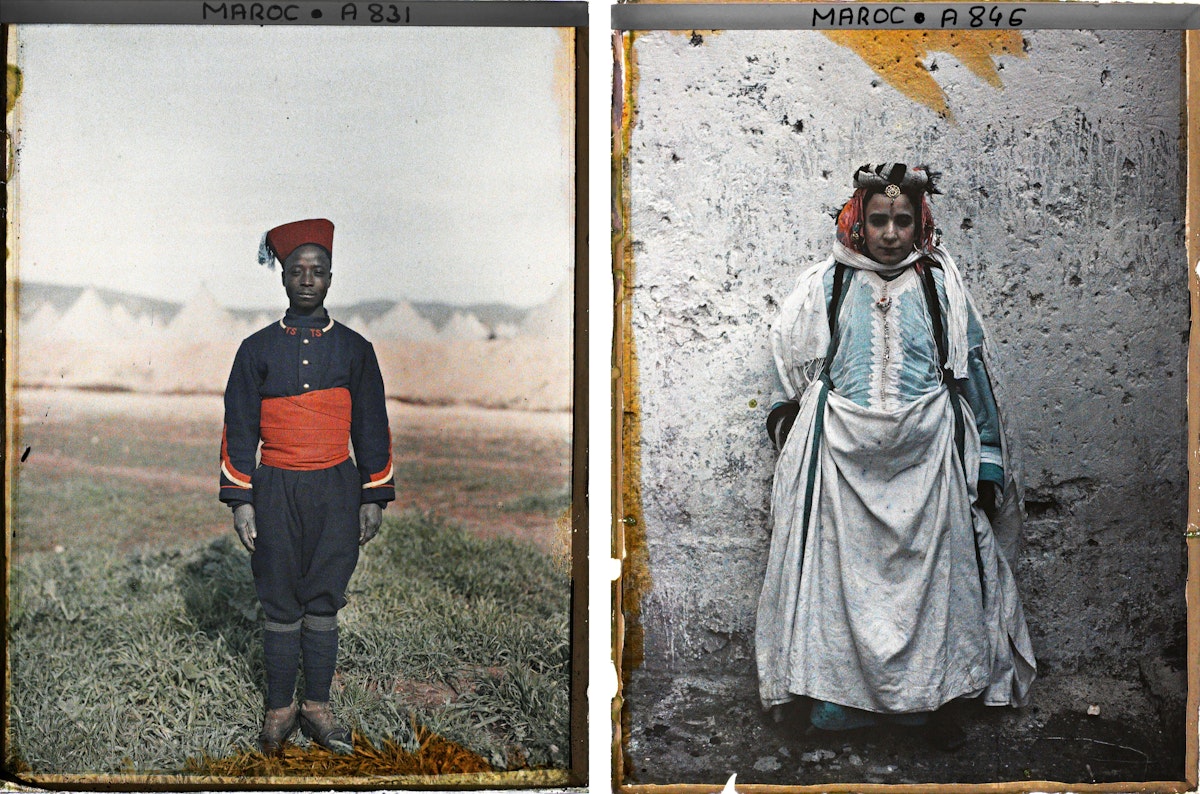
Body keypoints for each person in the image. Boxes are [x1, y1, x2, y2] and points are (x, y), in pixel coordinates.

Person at [755, 163, 1036, 750]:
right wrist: (789, 413)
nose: (889, 233)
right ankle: (836, 703)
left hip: (927, 457)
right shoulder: (828, 284)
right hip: (842, 461)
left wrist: (986, 459)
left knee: (930, 585)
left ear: (919, 223)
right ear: (859, 222)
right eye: (878, 220)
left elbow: (969, 374)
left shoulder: (940, 285)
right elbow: (789, 355)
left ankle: (924, 704)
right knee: (840, 585)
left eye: (902, 221)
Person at [219, 218, 395, 756]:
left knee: (323, 595)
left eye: (317, 271)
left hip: (336, 490)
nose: (306, 279)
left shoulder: (355, 349)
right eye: (296, 270)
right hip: (275, 489)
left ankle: (316, 705)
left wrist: (373, 494)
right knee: (279, 598)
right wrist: (241, 500)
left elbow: (372, 424)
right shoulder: (256, 348)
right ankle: (279, 709)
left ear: (331, 278)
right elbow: (238, 425)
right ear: (283, 279)